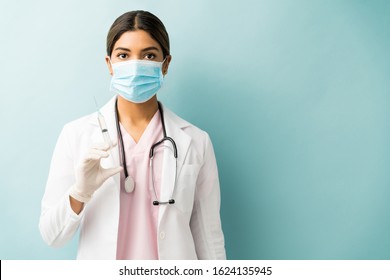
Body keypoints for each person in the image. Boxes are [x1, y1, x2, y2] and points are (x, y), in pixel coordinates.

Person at [39, 10, 226, 260]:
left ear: (165, 64)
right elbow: (52, 236)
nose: (135, 66)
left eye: (149, 55)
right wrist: (80, 192)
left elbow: (209, 238)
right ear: (109, 64)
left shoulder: (196, 141)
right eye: (123, 55)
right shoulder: (76, 134)